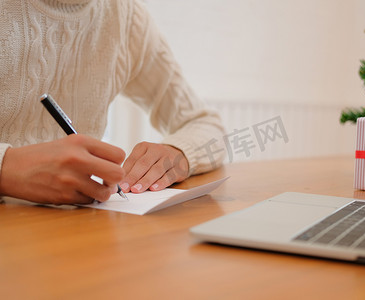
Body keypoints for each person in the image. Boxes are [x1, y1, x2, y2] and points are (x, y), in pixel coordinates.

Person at [0, 0, 225, 205]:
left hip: (73, 226)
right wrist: (6, 168)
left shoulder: (126, 16)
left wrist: (180, 152)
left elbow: (205, 124)